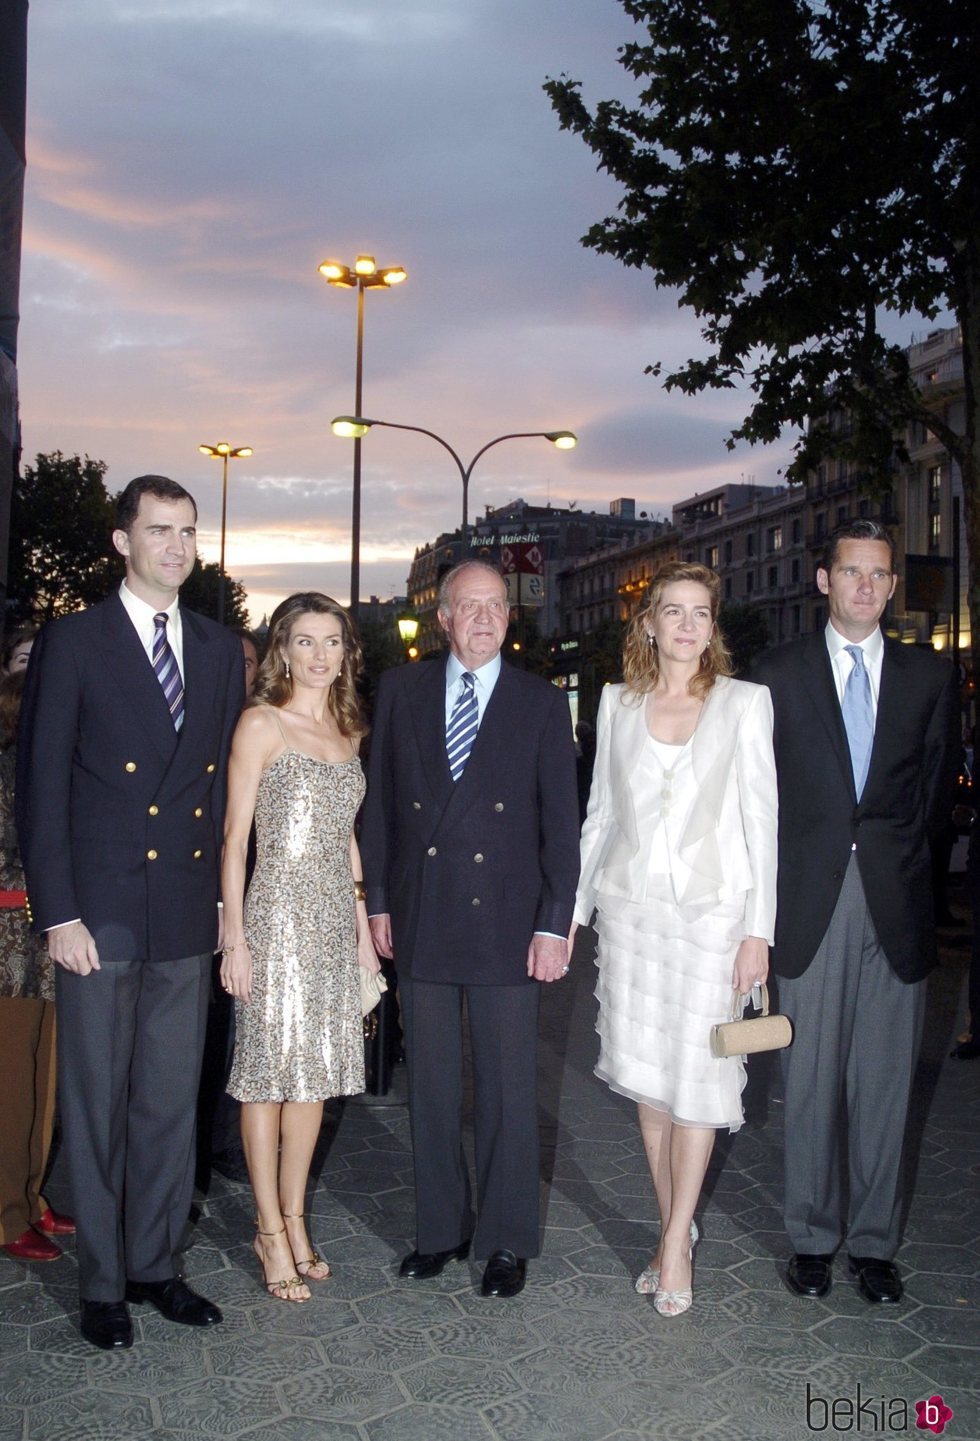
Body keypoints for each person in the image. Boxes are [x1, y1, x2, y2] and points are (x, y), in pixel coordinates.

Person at [16, 475, 244, 1350]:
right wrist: (58, 912)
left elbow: (221, 790)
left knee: (167, 1104)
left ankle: (157, 1266)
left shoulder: (221, 649)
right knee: (98, 1102)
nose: (177, 546)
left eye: (187, 531)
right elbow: (42, 788)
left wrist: (229, 905)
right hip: (98, 917)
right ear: (123, 541)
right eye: (160, 530)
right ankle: (103, 1281)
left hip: (184, 910)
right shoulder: (74, 641)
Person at [752, 520, 959, 1305]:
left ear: (892, 587)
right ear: (823, 581)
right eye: (852, 572)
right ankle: (811, 1238)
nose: (865, 586)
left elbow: (936, 796)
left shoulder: (928, 677)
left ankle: (874, 1244)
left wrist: (909, 876)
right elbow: (757, 798)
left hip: (895, 905)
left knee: (884, 1085)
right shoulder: (776, 673)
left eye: (879, 574)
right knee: (806, 1082)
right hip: (808, 903)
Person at [360, 560, 579, 1300]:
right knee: (429, 1082)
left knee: (508, 1086)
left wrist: (555, 923)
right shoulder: (401, 690)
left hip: (508, 920)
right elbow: (381, 807)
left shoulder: (542, 702)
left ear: (508, 619)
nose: (484, 618)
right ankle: (440, 1229)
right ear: (444, 617)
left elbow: (562, 827)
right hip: (421, 911)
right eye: (468, 606)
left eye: (496, 606)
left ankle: (506, 1239)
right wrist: (378, 901)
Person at [571, 561, 776, 1317]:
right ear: (649, 623)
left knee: (699, 1082)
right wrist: (574, 915)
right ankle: (673, 1233)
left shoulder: (745, 704)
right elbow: (599, 816)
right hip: (633, 916)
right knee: (651, 1083)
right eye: (674, 612)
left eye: (701, 613)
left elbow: (765, 824)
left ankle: (675, 1241)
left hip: (712, 920)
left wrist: (760, 931)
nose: (688, 626)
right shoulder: (617, 703)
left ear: (712, 626)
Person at [220, 593, 380, 1303]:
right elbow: (233, 839)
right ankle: (267, 1229)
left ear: (347, 651)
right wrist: (234, 937)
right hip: (275, 915)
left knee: (313, 1075)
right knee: (267, 1074)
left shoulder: (347, 731)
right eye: (305, 641)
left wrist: (362, 937)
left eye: (333, 641)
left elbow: (346, 833)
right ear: (281, 649)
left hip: (327, 918)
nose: (321, 655)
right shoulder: (261, 724)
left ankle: (295, 1216)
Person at [0, 671, 75, 1262]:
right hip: (8, 946)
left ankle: (29, 1196)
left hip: (50, 949)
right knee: (10, 1088)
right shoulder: (9, 766)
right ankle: (6, 1213)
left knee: (43, 1086)